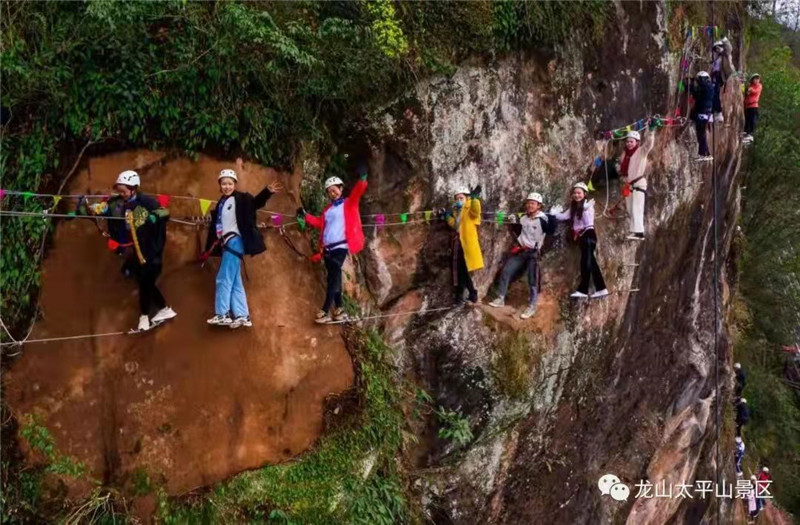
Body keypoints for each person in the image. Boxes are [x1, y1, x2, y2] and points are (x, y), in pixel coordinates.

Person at [87, 170, 176, 331]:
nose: (122, 194)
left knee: (145, 283)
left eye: (124, 191)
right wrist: (96, 209)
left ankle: (144, 317)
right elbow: (106, 208)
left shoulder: (147, 202)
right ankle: (164, 309)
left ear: (134, 188)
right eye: (119, 191)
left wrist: (154, 216)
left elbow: (165, 212)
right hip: (133, 250)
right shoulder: (118, 202)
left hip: (151, 250)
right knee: (143, 280)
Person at [203, 169, 282, 328]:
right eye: (224, 183)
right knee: (235, 281)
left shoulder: (242, 198)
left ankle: (222, 314)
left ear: (235, 184)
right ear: (220, 185)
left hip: (235, 240)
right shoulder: (221, 203)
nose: (227, 186)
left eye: (230, 183)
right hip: (226, 243)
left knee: (223, 278)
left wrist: (267, 192)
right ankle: (242, 315)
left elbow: (255, 203)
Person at [299, 166, 367, 324]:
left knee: (333, 278)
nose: (332, 193)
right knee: (333, 277)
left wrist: (363, 177)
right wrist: (305, 215)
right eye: (329, 191)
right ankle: (340, 309)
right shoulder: (327, 210)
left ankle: (324, 310)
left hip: (340, 247)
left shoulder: (349, 203)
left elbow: (358, 191)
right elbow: (319, 223)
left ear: (341, 189)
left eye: (334, 190)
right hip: (327, 249)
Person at [488, 192, 555, 318]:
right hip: (521, 250)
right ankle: (500, 298)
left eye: (533, 203)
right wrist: (513, 223)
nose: (530, 205)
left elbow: (551, 230)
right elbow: (520, 232)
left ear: (538, 206)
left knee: (532, 279)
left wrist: (552, 217)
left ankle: (532, 306)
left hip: (533, 253)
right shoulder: (524, 218)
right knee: (506, 271)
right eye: (528, 203)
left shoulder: (542, 219)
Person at [553, 182, 608, 299]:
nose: (576, 195)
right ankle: (601, 288)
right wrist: (555, 214)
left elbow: (586, 214)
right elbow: (564, 216)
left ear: (584, 194)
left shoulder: (588, 206)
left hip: (588, 235)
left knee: (585, 263)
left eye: (579, 193)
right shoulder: (574, 207)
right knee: (592, 263)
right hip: (582, 237)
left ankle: (583, 289)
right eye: (575, 193)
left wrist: (584, 207)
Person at [445, 185, 484, 305]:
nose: (458, 200)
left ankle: (470, 293)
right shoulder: (457, 211)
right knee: (459, 270)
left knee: (463, 271)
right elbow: (456, 226)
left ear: (467, 198)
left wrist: (474, 199)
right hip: (458, 244)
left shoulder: (470, 209)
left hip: (467, 244)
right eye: (457, 198)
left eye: (461, 198)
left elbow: (476, 210)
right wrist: (447, 217)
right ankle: (464, 295)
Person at [615, 128, 655, 241]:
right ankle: (635, 231)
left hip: (638, 183)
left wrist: (651, 131)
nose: (629, 144)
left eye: (631, 141)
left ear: (637, 142)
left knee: (637, 207)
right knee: (630, 208)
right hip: (629, 184)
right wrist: (616, 167)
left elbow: (648, 144)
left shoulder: (641, 152)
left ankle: (639, 232)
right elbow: (623, 169)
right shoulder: (625, 155)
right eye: (627, 141)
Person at [690, 71, 714, 161]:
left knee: (701, 135)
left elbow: (697, 95)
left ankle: (703, 154)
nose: (699, 81)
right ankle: (706, 153)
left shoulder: (706, 87)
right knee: (701, 135)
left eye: (699, 79)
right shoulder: (709, 87)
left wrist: (691, 86)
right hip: (705, 114)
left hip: (703, 114)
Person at [711, 38, 734, 122]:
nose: (717, 50)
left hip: (720, 76)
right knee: (713, 94)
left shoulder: (725, 55)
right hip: (715, 76)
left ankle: (719, 112)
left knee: (715, 93)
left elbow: (729, 48)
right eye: (715, 49)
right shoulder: (717, 57)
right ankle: (714, 112)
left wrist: (725, 40)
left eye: (718, 48)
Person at [743, 74, 762, 143]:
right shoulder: (750, 86)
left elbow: (755, 91)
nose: (757, 80)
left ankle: (750, 134)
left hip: (754, 106)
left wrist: (750, 89)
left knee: (752, 120)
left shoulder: (759, 86)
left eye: (758, 79)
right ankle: (746, 133)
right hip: (748, 106)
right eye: (755, 79)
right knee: (747, 120)